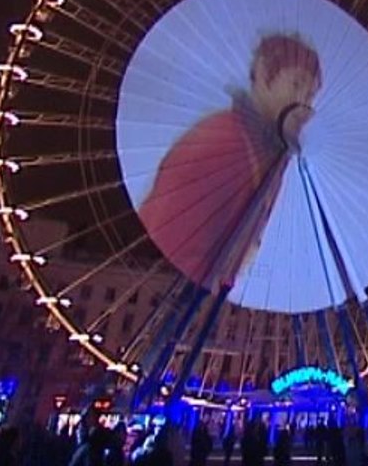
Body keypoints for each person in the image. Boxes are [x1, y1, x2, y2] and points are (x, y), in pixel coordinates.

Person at [137, 33, 322, 288]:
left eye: (312, 95)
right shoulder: (219, 143)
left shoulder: (268, 154)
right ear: (264, 75)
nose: (306, 105)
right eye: (297, 85)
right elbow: (170, 247)